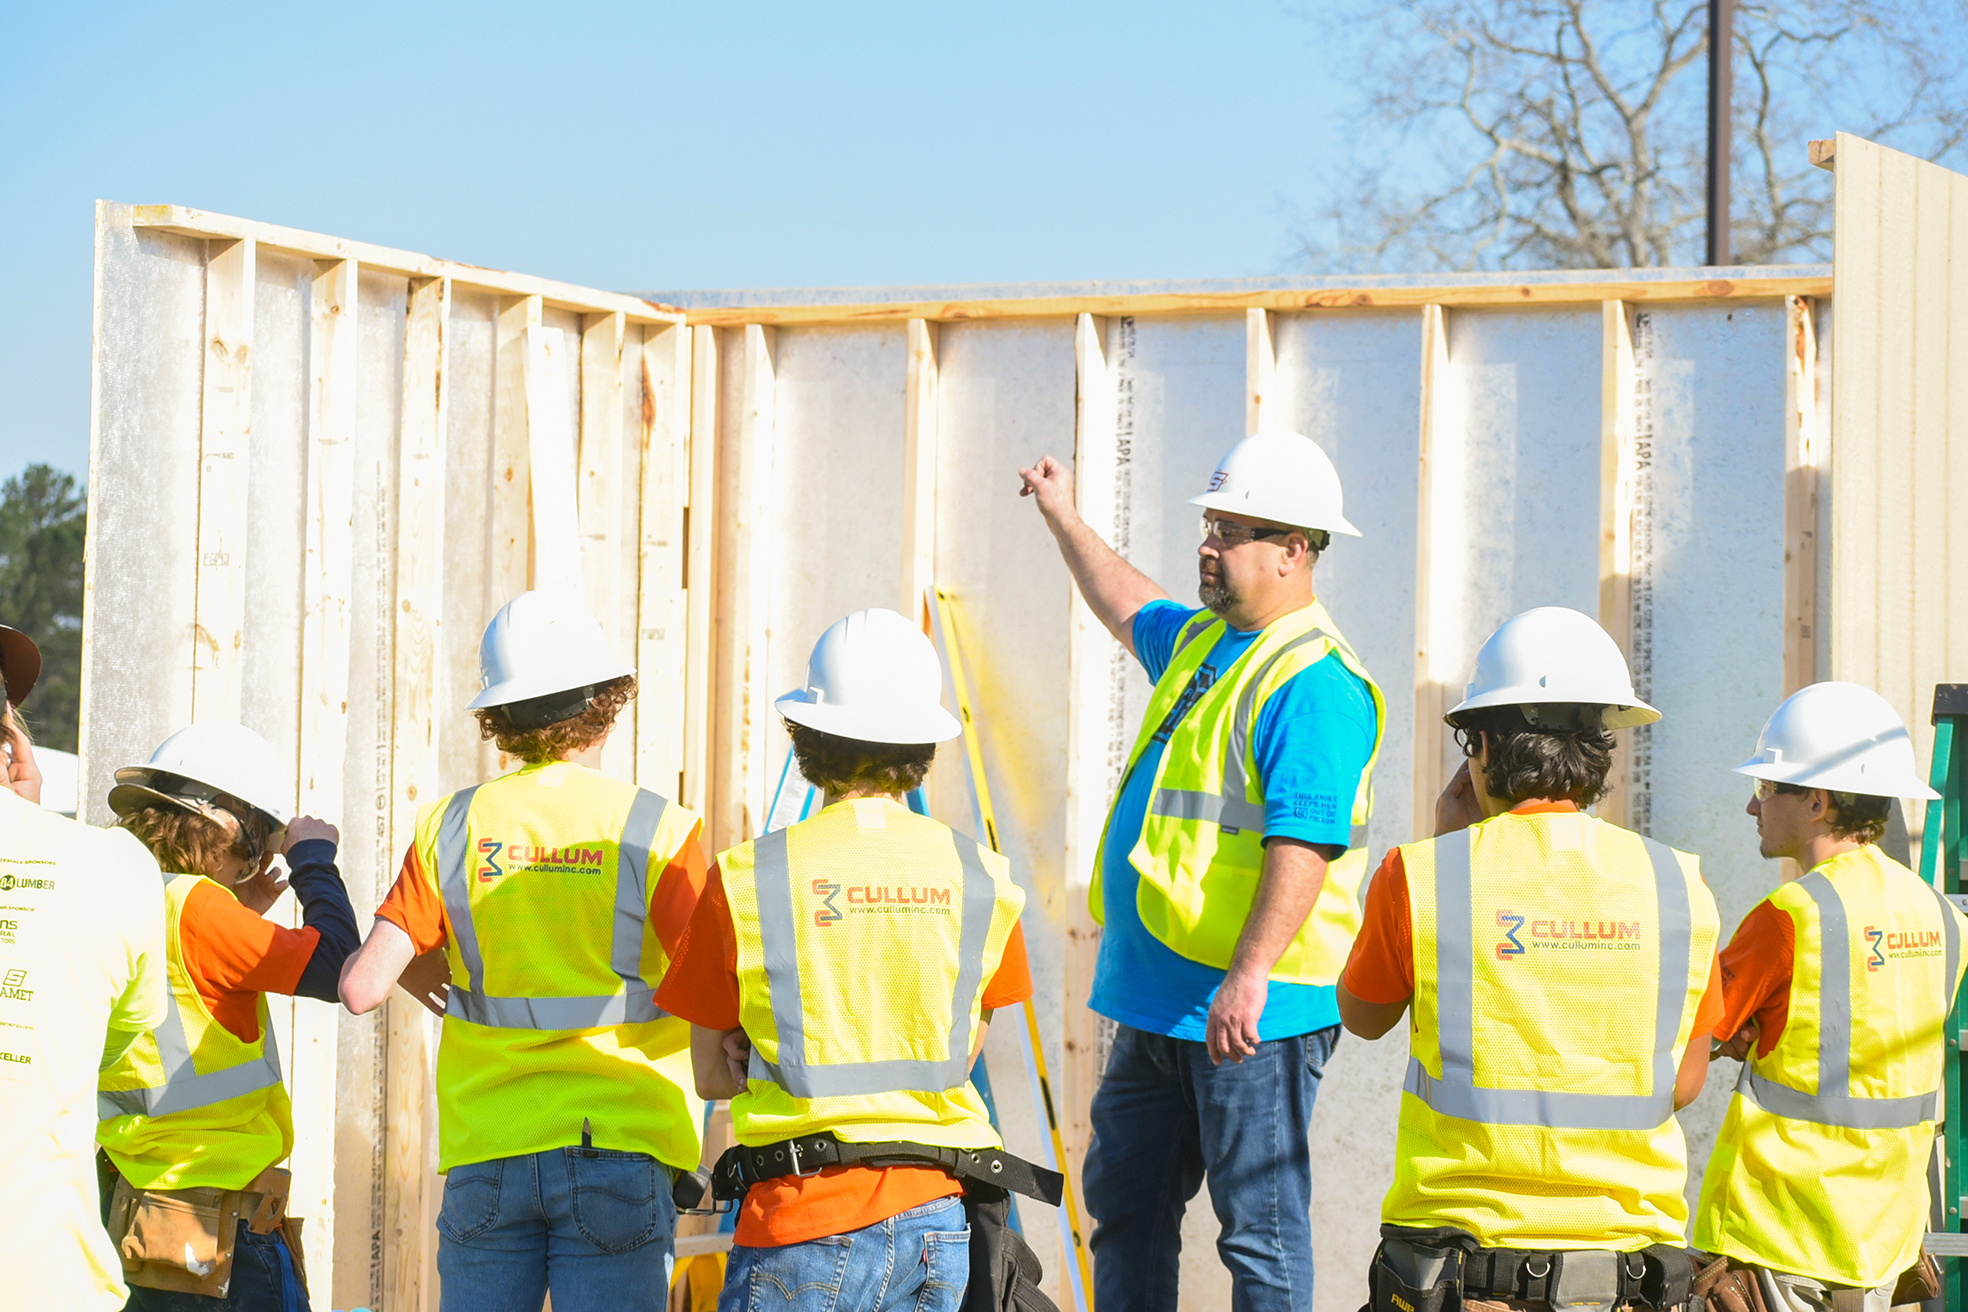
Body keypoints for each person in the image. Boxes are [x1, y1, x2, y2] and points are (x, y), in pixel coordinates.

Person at [1019, 430, 1384, 1310]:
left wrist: (1248, 976)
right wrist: (1063, 517)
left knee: (1258, 1236)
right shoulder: (1205, 644)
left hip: (1248, 1012)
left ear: (1296, 552)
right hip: (1157, 1001)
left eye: (1232, 530)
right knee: (1129, 1212)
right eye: (1210, 524)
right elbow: (1125, 602)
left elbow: (1303, 841)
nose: (1207, 544)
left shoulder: (1313, 681)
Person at [656, 608, 1055, 1312]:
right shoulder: (983, 876)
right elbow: (958, 1057)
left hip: (800, 1216)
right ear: (923, 743)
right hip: (938, 1220)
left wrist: (769, 1055)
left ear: (807, 735)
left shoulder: (750, 876)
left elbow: (713, 1074)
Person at [1337, 606, 1723, 1312]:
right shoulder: (1680, 884)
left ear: (1481, 744)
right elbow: (1686, 1081)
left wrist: (1447, 844)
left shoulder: (1421, 875)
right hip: (1629, 1281)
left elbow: (1362, 1018)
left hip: (1460, 1275)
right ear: (1602, 744)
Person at [338, 591, 708, 1312]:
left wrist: (419, 962)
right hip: (620, 1146)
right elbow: (719, 991)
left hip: (489, 1155)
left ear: (498, 715)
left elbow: (360, 987)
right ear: (604, 702)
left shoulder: (452, 827)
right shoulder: (656, 828)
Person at [1693, 681, 1965, 1312]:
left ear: (1816, 802)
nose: (1751, 806)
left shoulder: (1791, 915)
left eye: (1767, 788)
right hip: (1886, 1243)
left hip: (1784, 1234)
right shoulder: (1942, 916)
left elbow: (1698, 1030)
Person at [97, 720, 355, 1310]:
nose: (253, 860)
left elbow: (186, 995)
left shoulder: (121, 892)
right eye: (255, 842)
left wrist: (241, 910)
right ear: (224, 825)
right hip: (224, 1232)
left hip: (136, 1219)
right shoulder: (201, 908)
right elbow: (338, 964)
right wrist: (315, 861)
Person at [0, 624, 170, 1309]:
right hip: (42, 1283)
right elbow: (107, 1042)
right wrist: (27, 825)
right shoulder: (112, 866)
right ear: (12, 744)